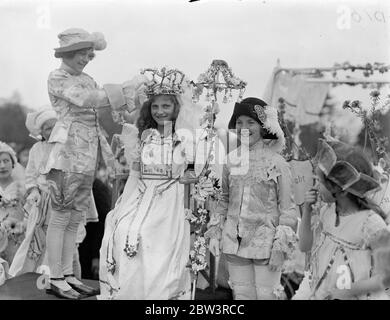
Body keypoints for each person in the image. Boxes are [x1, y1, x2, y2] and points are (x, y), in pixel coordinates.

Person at [42, 28, 138, 299]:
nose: (85, 59)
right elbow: (90, 100)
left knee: (75, 216)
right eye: (81, 55)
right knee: (60, 215)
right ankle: (55, 276)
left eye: (88, 55)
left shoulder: (87, 78)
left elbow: (107, 105)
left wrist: (134, 99)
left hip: (87, 154)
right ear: (68, 53)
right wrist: (124, 89)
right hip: (67, 152)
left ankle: (69, 274)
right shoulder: (58, 77)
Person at [98, 68, 208, 300]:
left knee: (146, 234)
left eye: (166, 106)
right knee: (119, 227)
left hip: (171, 198)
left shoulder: (185, 137)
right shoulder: (144, 136)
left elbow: (194, 173)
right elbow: (136, 174)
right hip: (141, 194)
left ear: (177, 108)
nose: (160, 111)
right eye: (155, 107)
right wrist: (123, 204)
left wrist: (191, 170)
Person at [205, 97, 298, 300]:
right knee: (242, 296)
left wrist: (280, 247)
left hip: (266, 245)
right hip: (234, 243)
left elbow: (288, 209)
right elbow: (224, 200)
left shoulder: (278, 162)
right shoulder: (230, 160)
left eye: (250, 122)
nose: (243, 127)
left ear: (263, 127)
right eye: (239, 122)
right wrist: (215, 233)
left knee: (267, 296)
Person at [294, 139, 390, 300]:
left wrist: (348, 291)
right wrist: (307, 211)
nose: (315, 186)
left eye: (319, 181)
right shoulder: (328, 211)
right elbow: (304, 247)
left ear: (341, 190)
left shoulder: (371, 224)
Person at [0, 141, 26, 269]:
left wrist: (23, 225)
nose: (2, 166)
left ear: (13, 163)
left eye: (6, 161)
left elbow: (30, 213)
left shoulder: (22, 188)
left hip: (16, 239)